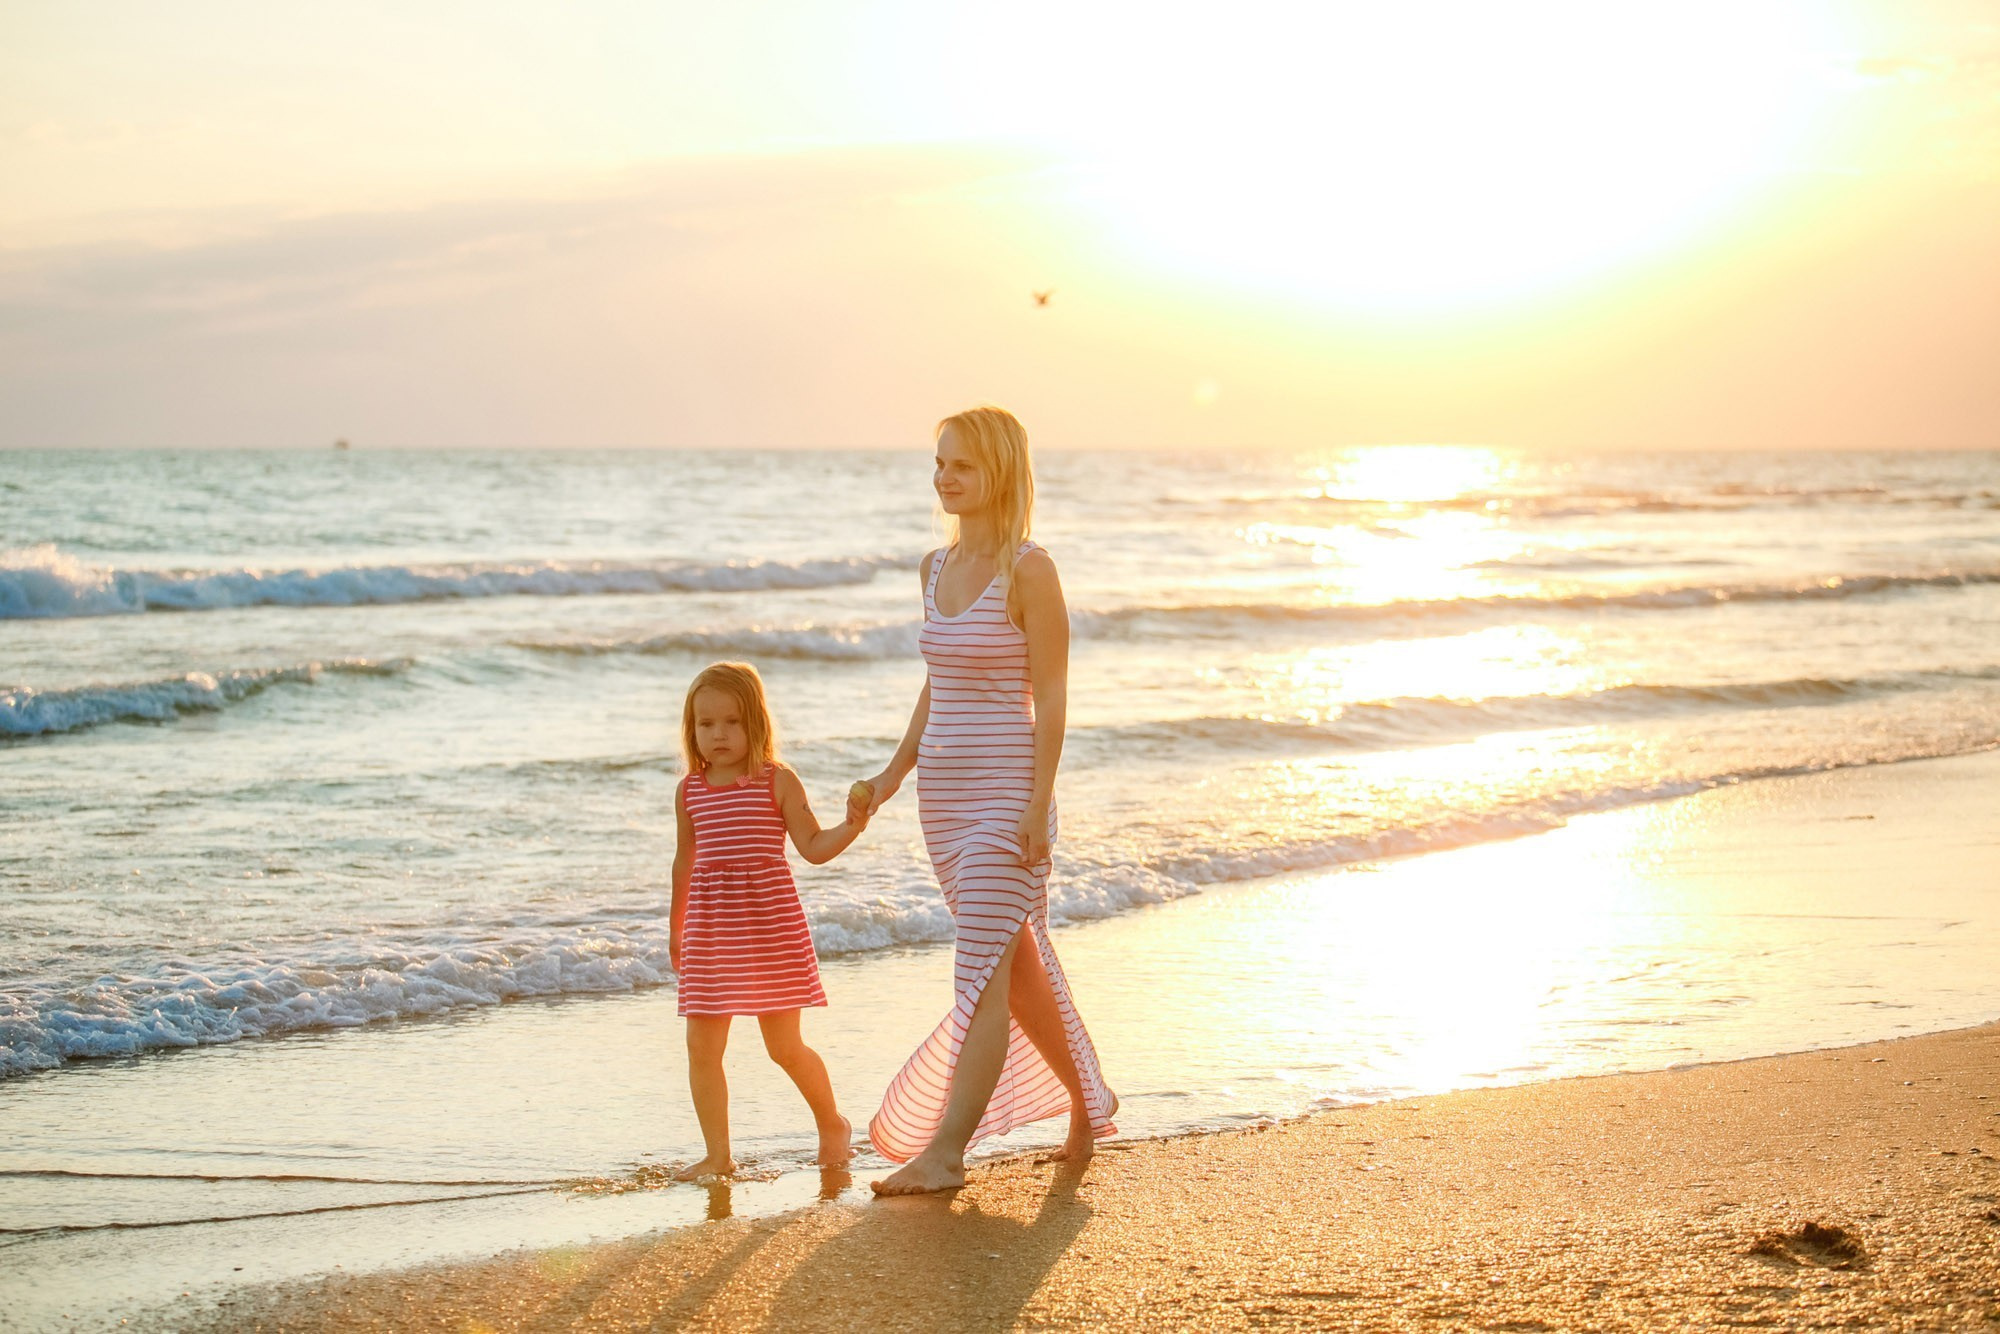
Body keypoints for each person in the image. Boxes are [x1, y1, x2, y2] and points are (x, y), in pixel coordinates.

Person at [861, 406, 1118, 1195]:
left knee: (977, 968)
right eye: (939, 463)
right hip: (943, 800)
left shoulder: (1031, 571)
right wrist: (892, 774)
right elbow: (937, 685)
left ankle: (946, 1151)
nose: (944, 477)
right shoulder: (933, 569)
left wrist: (1039, 804)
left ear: (999, 473)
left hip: (1008, 799)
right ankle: (1089, 1103)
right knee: (1015, 973)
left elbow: (1053, 695)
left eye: (961, 465)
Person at [669, 660, 866, 1179]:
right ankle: (718, 1154)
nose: (718, 734)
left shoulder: (777, 781)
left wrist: (852, 825)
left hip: (769, 932)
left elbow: (814, 847)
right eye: (706, 723)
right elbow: (684, 862)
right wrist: (676, 928)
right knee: (701, 1048)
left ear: (755, 723)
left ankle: (832, 1124)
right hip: (710, 934)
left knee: (784, 1047)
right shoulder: (690, 791)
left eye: (732, 722)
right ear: (692, 729)